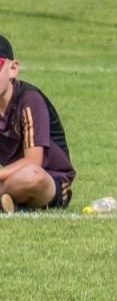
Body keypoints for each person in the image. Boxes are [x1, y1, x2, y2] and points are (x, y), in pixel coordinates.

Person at [0, 34, 76, 214]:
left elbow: (33, 161)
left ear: (13, 69)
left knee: (31, 176)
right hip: (9, 179)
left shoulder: (29, 99)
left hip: (49, 179)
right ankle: (9, 201)